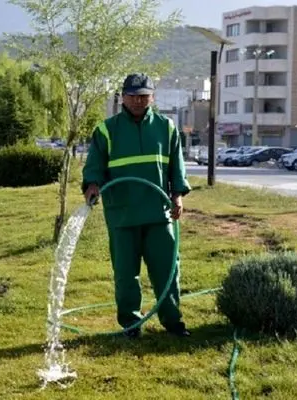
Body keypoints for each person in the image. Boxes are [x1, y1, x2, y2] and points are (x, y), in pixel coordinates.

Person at [82, 73, 191, 339]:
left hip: (159, 213)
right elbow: (94, 166)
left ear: (152, 97)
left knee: (167, 270)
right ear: (123, 97)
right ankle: (131, 324)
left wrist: (178, 195)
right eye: (133, 95)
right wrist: (93, 185)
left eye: (144, 95)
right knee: (126, 275)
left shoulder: (166, 128)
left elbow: (177, 168)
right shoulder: (107, 130)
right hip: (122, 215)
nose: (138, 100)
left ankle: (173, 322)